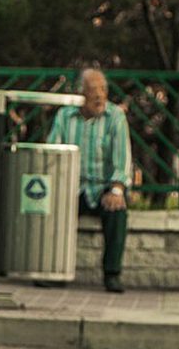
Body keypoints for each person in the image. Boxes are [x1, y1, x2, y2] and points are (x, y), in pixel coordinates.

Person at [47, 68, 132, 293]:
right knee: (51, 208)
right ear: (80, 93)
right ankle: (52, 270)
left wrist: (116, 189)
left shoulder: (115, 116)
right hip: (72, 185)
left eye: (103, 89)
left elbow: (122, 159)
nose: (99, 95)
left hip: (104, 185)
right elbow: (53, 153)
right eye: (93, 90)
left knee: (117, 211)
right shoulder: (64, 116)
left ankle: (112, 274)